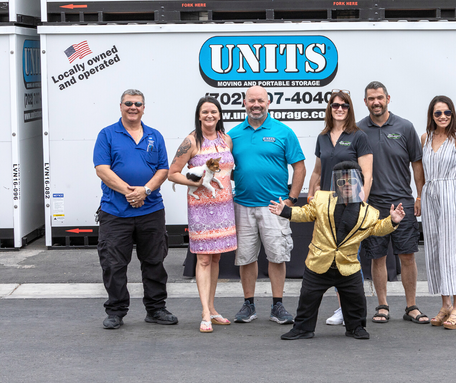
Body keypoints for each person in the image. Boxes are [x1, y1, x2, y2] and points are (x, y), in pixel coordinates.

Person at [270, 161, 405, 340]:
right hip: (319, 261)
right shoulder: (321, 199)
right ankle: (302, 329)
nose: (347, 185)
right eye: (342, 182)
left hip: (348, 264)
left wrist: (393, 221)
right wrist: (286, 212)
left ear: (359, 183)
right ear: (336, 185)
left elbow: (378, 229)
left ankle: (356, 327)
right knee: (307, 299)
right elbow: (306, 213)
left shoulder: (370, 213)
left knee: (357, 301)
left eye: (352, 181)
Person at [93, 89, 178, 329]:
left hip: (150, 210)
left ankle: (156, 309)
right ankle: (116, 311)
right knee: (113, 264)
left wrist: (145, 191)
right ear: (120, 106)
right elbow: (102, 169)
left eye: (137, 104)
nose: (133, 107)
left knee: (154, 262)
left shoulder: (155, 135)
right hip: (115, 212)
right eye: (128, 103)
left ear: (143, 108)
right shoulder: (108, 134)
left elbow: (163, 169)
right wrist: (129, 192)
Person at [228, 85, 306, 324]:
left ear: (268, 102)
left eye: (260, 100)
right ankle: (248, 305)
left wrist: (291, 199)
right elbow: (225, 168)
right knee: (246, 258)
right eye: (252, 100)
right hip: (242, 204)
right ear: (244, 103)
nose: (256, 105)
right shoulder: (232, 135)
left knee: (277, 257)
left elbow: (299, 167)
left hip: (275, 206)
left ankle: (278, 305)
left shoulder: (283, 132)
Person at [357, 81, 429, 324]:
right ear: (365, 101)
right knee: (377, 257)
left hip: (403, 204)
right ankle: (382, 305)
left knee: (407, 256)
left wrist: (418, 196)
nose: (376, 102)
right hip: (373, 206)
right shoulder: (358, 130)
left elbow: (417, 165)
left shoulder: (405, 127)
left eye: (379, 97)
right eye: (371, 98)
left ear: (388, 98)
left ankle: (411, 307)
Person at [168, 96, 237, 333]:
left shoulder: (226, 139)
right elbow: (172, 173)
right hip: (200, 209)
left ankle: (212, 307)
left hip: (224, 207)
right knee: (204, 258)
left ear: (219, 115)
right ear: (199, 115)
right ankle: (205, 313)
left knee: (216, 258)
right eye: (205, 112)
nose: (210, 116)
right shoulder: (191, 141)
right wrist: (194, 182)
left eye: (214, 112)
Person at [306, 89, 373, 326]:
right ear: (330, 108)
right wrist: (312, 191)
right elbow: (317, 170)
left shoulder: (358, 136)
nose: (340, 109)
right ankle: (342, 308)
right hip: (326, 207)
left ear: (350, 109)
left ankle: (351, 311)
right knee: (330, 256)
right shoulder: (322, 136)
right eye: (335, 105)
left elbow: (367, 174)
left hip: (349, 206)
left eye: (344, 105)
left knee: (349, 257)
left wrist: (361, 203)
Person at [420, 96, 456, 330]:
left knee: (451, 249)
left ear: (453, 114)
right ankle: (446, 304)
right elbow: (420, 171)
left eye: (447, 113)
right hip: (429, 193)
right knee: (434, 248)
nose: (442, 117)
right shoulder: (425, 138)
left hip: (451, 193)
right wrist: (419, 196)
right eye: (437, 113)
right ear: (431, 115)